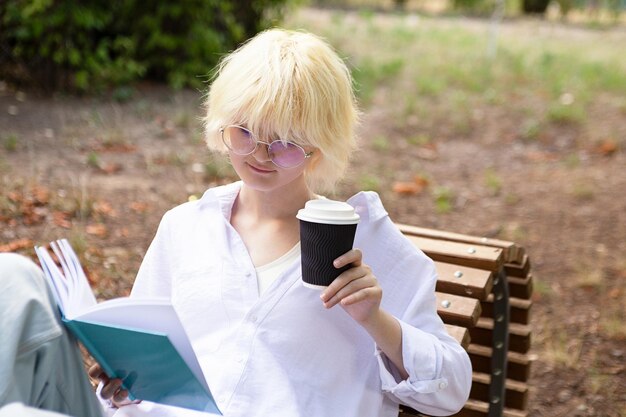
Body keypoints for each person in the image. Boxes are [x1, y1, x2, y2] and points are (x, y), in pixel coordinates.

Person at [2, 28, 472, 417]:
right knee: (15, 282)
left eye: (285, 142)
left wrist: (375, 319)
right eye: (244, 133)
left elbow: (450, 392)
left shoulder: (365, 242)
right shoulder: (187, 227)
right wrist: (124, 379)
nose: (260, 155)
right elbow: (140, 355)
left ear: (320, 145)